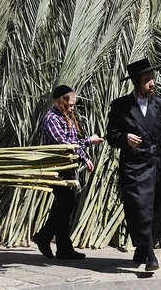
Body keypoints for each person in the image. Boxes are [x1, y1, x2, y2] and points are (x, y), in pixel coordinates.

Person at [106, 58, 161, 271]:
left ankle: (142, 249)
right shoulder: (120, 106)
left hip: (157, 165)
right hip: (133, 167)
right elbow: (111, 136)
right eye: (147, 80)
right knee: (140, 209)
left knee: (156, 209)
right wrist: (125, 139)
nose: (152, 83)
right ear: (135, 82)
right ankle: (150, 254)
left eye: (152, 79)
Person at [32, 85, 105, 259]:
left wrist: (84, 158)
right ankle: (43, 236)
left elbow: (73, 142)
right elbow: (65, 145)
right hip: (57, 169)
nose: (73, 108)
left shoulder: (66, 117)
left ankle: (64, 248)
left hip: (68, 167)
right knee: (67, 204)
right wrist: (89, 141)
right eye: (70, 104)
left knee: (64, 205)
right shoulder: (51, 119)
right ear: (59, 101)